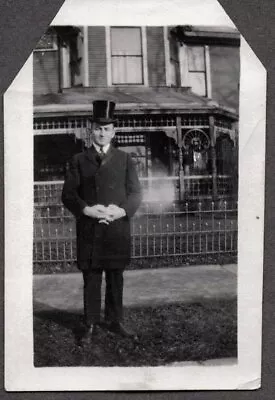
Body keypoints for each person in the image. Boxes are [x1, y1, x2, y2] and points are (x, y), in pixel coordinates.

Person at [62, 100, 142, 342]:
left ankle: (116, 321)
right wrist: (88, 210)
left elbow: (136, 193)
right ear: (91, 130)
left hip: (116, 227)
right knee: (92, 277)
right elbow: (68, 194)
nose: (102, 133)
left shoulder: (125, 159)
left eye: (107, 128)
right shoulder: (78, 160)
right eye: (98, 128)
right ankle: (90, 323)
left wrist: (120, 212)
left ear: (113, 132)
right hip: (90, 228)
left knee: (116, 277)